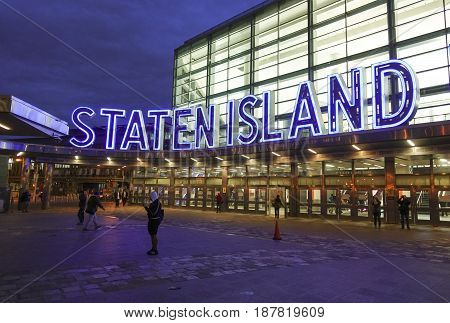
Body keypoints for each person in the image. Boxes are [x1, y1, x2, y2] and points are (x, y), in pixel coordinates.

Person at [144, 191, 162, 255]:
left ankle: (155, 249)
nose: (150, 198)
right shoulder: (155, 202)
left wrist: (146, 207)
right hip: (153, 220)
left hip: (154, 221)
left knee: (154, 235)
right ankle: (153, 248)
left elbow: (153, 213)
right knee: (152, 235)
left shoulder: (156, 203)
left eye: (151, 196)